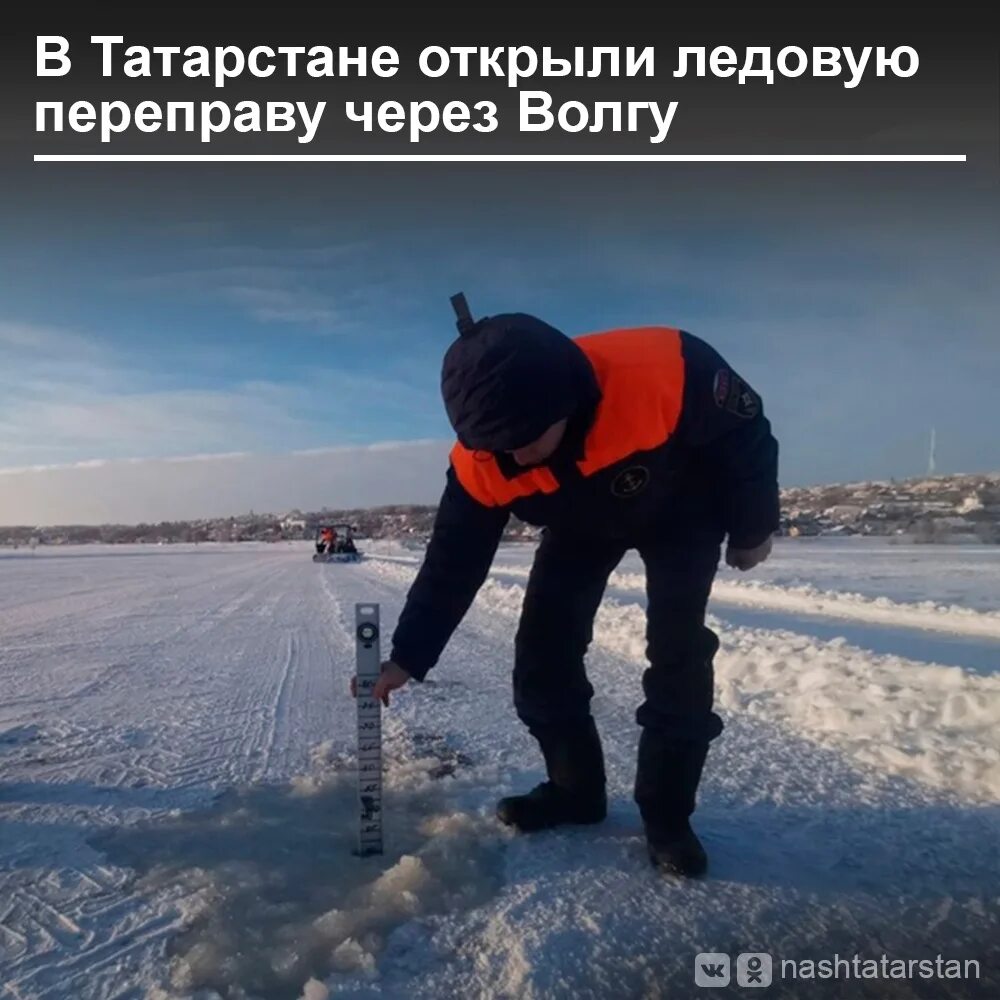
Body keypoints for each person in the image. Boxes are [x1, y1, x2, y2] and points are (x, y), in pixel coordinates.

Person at [352, 296, 780, 878]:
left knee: (677, 651)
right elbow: (454, 558)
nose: (518, 455)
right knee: (542, 653)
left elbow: (748, 438)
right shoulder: (484, 461)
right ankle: (576, 792)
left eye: (527, 437)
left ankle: (667, 817)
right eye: (499, 446)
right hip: (580, 525)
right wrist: (407, 656)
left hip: (685, 508)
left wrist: (753, 529)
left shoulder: (669, 369)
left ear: (569, 398)